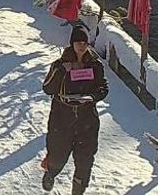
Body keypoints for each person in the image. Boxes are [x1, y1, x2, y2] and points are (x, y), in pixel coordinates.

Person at [41, 25, 108, 194]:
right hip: (62, 117)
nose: (81, 46)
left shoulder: (95, 65)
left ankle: (78, 191)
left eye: (84, 42)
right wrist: (61, 70)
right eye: (78, 42)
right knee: (58, 154)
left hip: (87, 118)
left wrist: (92, 97)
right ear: (72, 44)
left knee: (85, 159)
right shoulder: (60, 64)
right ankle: (51, 172)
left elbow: (103, 87)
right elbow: (48, 88)